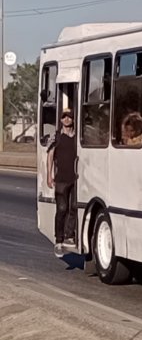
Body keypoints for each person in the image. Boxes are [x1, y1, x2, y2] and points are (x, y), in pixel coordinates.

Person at [46, 108, 77, 258]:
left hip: (75, 179)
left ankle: (69, 236)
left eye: (69, 117)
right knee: (62, 209)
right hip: (61, 180)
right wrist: (49, 176)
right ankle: (58, 241)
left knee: (73, 208)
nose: (66, 119)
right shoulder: (56, 136)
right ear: (60, 120)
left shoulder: (78, 136)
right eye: (64, 117)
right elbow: (50, 156)